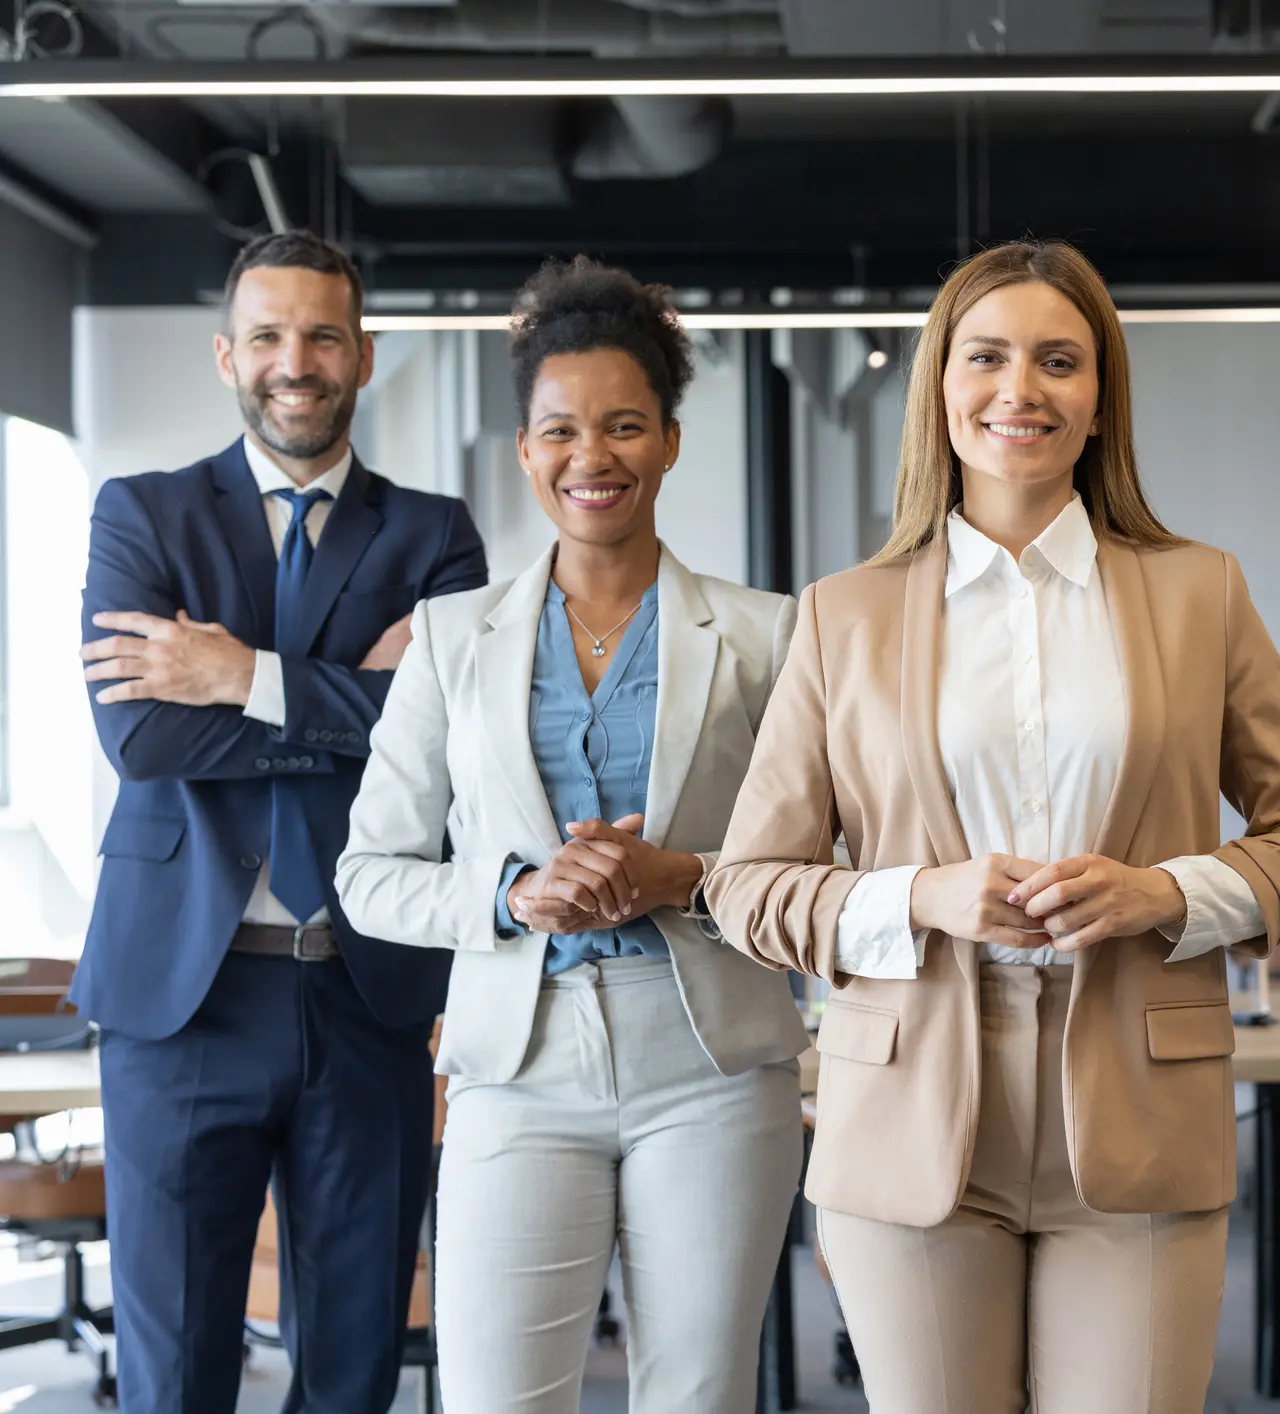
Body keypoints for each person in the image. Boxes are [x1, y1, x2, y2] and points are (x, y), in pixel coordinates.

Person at [704, 238, 1280, 1414]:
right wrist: (918, 895)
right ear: (939, 389)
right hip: (913, 1111)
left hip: (1140, 1105)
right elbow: (747, 887)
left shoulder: (1198, 590)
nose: (1022, 390)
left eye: (1060, 361)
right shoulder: (843, 615)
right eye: (988, 357)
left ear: (1100, 397)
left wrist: (1170, 893)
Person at [335, 257, 807, 1413]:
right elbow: (368, 876)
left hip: (710, 1063)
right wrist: (511, 895)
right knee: (498, 1396)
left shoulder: (767, 635)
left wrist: (682, 876)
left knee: (696, 1394)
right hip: (516, 1063)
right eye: (560, 430)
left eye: (624, 426)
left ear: (671, 441)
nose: (592, 457)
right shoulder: (451, 638)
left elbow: (825, 866)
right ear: (524, 450)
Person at [73, 230, 487, 1414]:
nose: (292, 362)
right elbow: (143, 740)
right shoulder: (141, 516)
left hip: (363, 992)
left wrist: (241, 673)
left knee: (355, 1365)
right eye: (267, 336)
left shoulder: (434, 536)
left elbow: (453, 742)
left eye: (321, 336)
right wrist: (360, 696)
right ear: (226, 355)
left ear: (366, 355)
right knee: (176, 1369)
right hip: (180, 998)